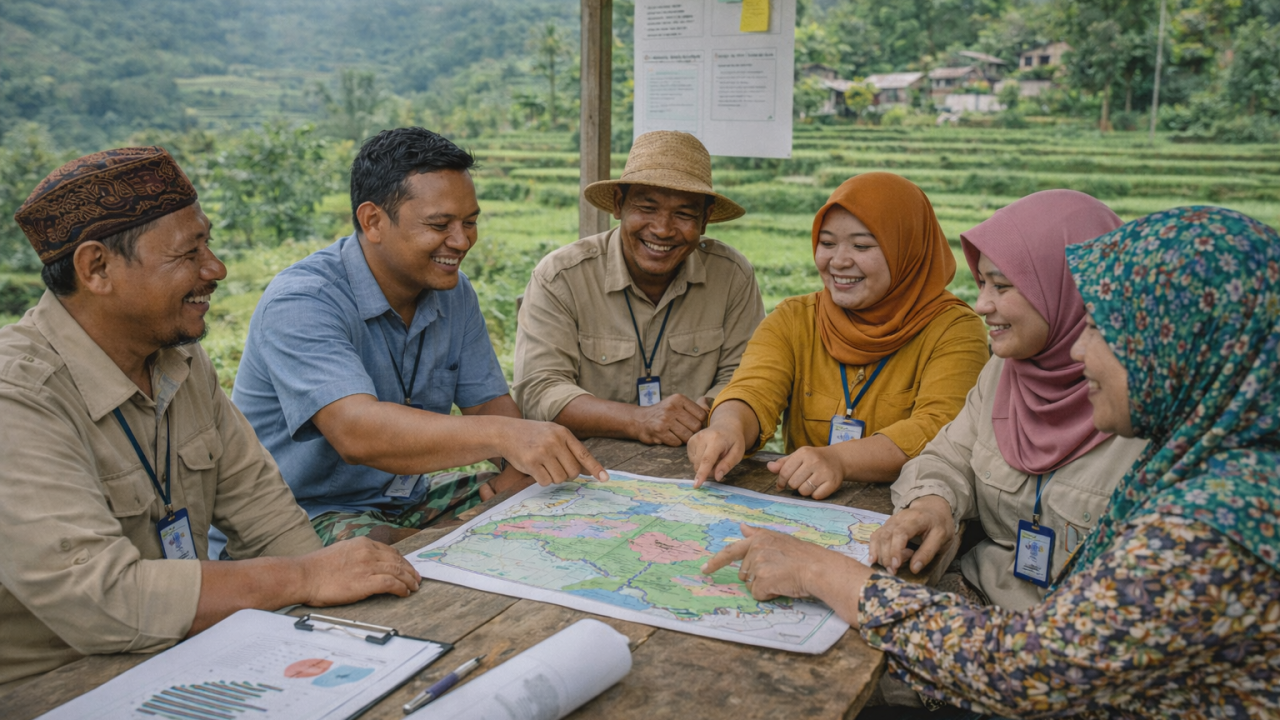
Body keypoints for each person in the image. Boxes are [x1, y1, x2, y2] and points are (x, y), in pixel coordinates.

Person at [702, 206, 1280, 718]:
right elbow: (949, 453)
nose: (1081, 348)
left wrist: (823, 573)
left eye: (1103, 327)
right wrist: (934, 502)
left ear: (1179, 346)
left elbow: (1030, 670)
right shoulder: (1204, 457)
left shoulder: (1216, 522)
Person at [0, 147, 421, 689]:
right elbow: (100, 601)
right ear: (96, 268)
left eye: (209, 243)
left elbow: (268, 518)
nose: (215, 269)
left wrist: (332, 592)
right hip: (58, 685)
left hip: (190, 654)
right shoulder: (18, 396)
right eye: (187, 254)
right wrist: (304, 576)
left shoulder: (180, 360)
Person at [225, 128, 607, 550]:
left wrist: (519, 466)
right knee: (388, 551)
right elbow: (357, 433)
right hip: (297, 515)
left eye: (470, 222)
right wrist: (507, 438)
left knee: (555, 498)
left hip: (402, 499)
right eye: (439, 225)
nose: (461, 241)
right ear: (373, 221)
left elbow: (487, 403)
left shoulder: (454, 292)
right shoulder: (303, 301)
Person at [869, 190, 1149, 613]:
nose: (981, 304)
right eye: (982, 283)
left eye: (1002, 286)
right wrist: (933, 504)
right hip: (978, 596)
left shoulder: (1146, 406)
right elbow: (949, 455)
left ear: (1069, 289)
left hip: (1067, 634)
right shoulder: (1008, 368)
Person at [687, 173, 989, 497]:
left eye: (861, 245)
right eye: (827, 243)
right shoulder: (794, 319)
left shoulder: (954, 329)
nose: (839, 261)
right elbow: (753, 388)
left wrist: (839, 460)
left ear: (907, 247)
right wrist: (727, 427)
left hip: (908, 511)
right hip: (805, 510)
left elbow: (939, 428)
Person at [512, 130, 765, 446]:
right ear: (619, 205)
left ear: (705, 220)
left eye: (684, 214)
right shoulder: (562, 277)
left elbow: (747, 377)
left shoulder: (731, 276)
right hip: (586, 467)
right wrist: (638, 421)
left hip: (696, 461)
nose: (662, 229)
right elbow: (539, 389)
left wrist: (708, 415)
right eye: (647, 208)